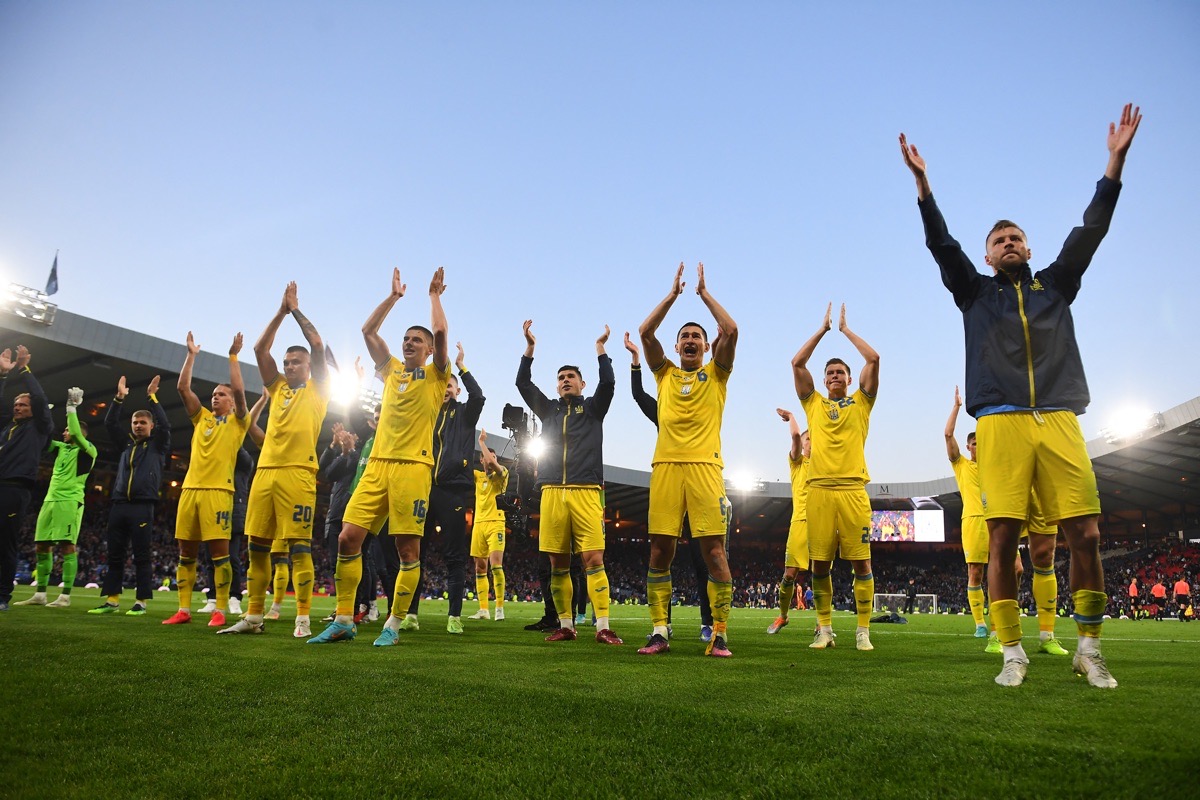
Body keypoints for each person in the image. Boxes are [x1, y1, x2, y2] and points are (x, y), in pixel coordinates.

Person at [900, 103, 1141, 688]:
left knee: (1085, 534)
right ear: (988, 255)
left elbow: (1092, 231)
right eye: (999, 239)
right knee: (1003, 539)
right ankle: (1012, 652)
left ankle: (1088, 647)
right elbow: (941, 244)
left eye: (1016, 237)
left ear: (1028, 248)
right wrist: (923, 185)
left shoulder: (1055, 286)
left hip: (1059, 418)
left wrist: (1113, 164)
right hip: (1002, 424)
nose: (1008, 243)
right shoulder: (974, 293)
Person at [309, 267, 450, 646]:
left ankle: (394, 624)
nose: (408, 343)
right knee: (347, 539)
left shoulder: (437, 376)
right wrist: (393, 298)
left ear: (429, 350)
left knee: (407, 550)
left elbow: (440, 333)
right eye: (405, 338)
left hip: (413, 469)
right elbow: (368, 332)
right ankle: (343, 619)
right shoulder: (391, 373)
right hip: (376, 467)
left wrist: (433, 296)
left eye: (415, 340)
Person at [636, 262, 738, 657]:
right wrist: (672, 296)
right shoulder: (663, 374)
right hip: (665, 469)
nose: (691, 340)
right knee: (660, 551)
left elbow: (731, 330)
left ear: (706, 346)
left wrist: (703, 294)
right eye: (685, 337)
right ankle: (660, 631)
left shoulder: (716, 374)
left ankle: (720, 633)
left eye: (697, 336)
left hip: (706, 470)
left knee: (714, 551)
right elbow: (646, 333)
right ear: (677, 347)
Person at [221, 283, 329, 638]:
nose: (288, 366)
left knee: (299, 547)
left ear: (309, 367)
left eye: (295, 362)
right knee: (257, 547)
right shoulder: (278, 387)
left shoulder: (318, 389)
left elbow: (317, 344)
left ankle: (301, 617)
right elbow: (259, 348)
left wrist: (296, 310)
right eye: (286, 362)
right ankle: (254, 616)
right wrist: (279, 312)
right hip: (264, 473)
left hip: (298, 473)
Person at [516, 320, 622, 646]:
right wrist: (530, 349)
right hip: (551, 491)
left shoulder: (592, 409)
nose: (564, 381)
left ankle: (602, 626)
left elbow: (609, 383)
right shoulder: (547, 410)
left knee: (593, 559)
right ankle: (566, 625)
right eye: (560, 378)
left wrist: (601, 349)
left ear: (581, 383)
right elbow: (522, 382)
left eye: (570, 377)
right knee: (557, 563)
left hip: (587, 491)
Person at [945, 387, 1068, 657]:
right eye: (974, 443)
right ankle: (985, 627)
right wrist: (956, 407)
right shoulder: (963, 465)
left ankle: (1019, 620)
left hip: (999, 510)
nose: (978, 446)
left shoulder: (995, 462)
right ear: (969, 446)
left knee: (1017, 569)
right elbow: (947, 435)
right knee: (978, 573)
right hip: (974, 520)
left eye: (981, 442)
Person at [791, 303, 880, 652]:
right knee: (820, 565)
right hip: (819, 491)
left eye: (840, 372)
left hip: (853, 490)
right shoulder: (812, 404)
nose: (834, 376)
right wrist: (821, 331)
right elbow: (797, 363)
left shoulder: (862, 403)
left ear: (849, 377)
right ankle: (825, 630)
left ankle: (862, 631)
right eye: (830, 373)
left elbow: (873, 360)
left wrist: (844, 329)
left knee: (862, 562)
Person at [625, 331, 715, 642]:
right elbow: (638, 395)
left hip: (702, 475)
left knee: (704, 559)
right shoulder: (663, 410)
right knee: (665, 554)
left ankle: (708, 622)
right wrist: (636, 362)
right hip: (670, 476)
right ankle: (664, 624)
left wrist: (714, 352)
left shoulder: (703, 397)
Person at [162, 332, 249, 627]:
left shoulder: (239, 422)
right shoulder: (202, 419)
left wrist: (233, 356)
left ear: (233, 403)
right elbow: (182, 387)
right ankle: (183, 610)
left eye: (221, 394)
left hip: (219, 493)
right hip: (189, 491)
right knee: (186, 553)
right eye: (214, 393)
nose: (216, 396)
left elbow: (239, 389)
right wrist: (192, 355)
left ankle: (221, 609)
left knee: (219, 555)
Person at [402, 341, 486, 634]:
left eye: (451, 386)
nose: (447, 389)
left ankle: (454, 616)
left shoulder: (465, 414)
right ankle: (410, 613)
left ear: (456, 390)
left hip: (453, 491)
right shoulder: (426, 413)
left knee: (454, 555)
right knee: (415, 551)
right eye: (444, 385)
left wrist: (461, 367)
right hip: (423, 489)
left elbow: (479, 395)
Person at [90, 375, 170, 616]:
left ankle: (141, 602)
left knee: (141, 554)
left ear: (151, 426)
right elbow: (110, 423)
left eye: (143, 422)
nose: (138, 425)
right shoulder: (126, 445)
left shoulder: (157, 445)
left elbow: (166, 425)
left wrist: (152, 398)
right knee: (115, 553)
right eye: (135, 422)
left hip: (142, 506)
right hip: (119, 505)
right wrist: (118, 399)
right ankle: (112, 600)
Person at [15, 387, 96, 608]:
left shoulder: (88, 451)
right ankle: (40, 594)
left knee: (67, 546)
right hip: (49, 501)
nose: (64, 433)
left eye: (67, 430)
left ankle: (65, 596)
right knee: (41, 545)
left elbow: (77, 435)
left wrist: (71, 409)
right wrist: (40, 408)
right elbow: (44, 436)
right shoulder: (61, 448)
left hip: (70, 502)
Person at [200, 392, 268, 617]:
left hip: (235, 509)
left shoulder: (244, 459)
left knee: (232, 557)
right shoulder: (220, 459)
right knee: (211, 557)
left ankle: (234, 597)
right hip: (214, 504)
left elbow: (238, 432)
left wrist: (229, 425)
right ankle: (212, 597)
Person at [0, 346, 53, 611]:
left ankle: (2, 596)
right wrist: (2, 376)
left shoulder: (39, 426)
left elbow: (40, 398)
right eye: (16, 405)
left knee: (6, 543)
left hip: (15, 490)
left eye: (23, 405)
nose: (17, 408)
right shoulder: (8, 427)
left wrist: (24, 370)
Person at [766, 408, 811, 636]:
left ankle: (824, 625)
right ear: (803, 445)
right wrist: (792, 417)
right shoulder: (798, 464)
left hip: (822, 522)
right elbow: (794, 437)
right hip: (800, 523)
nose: (811, 442)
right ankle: (783, 616)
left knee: (824, 575)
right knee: (789, 575)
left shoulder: (827, 466)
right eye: (808, 439)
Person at [468, 429, 509, 621]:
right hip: (478, 525)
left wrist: (482, 442)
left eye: (494, 456)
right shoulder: (477, 476)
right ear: (481, 460)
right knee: (479, 567)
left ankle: (499, 607)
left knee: (496, 565)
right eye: (487, 457)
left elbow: (494, 464)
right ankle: (483, 609)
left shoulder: (502, 474)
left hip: (495, 523)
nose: (491, 459)